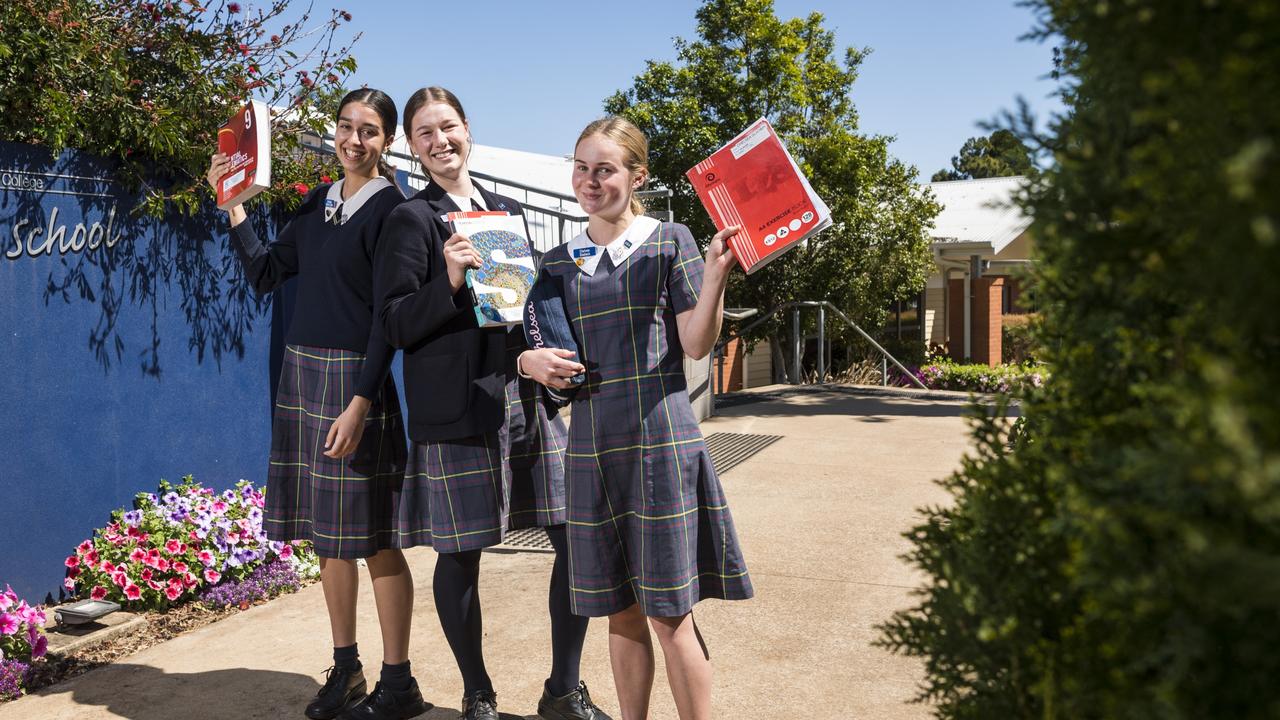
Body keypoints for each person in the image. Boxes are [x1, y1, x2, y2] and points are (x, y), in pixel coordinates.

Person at [374, 87, 609, 720]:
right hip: (458, 410)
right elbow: (395, 324)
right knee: (460, 555)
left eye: (447, 127)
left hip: (530, 401)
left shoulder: (505, 210)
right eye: (424, 133)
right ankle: (478, 693)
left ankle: (563, 689)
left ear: (468, 130)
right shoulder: (411, 219)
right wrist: (448, 282)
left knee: (575, 539)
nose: (439, 141)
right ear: (411, 146)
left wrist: (543, 355)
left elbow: (521, 304)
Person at [518, 117, 754, 720]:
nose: (589, 181)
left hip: (660, 444)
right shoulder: (555, 264)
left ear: (636, 175)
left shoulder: (669, 240)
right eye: (581, 168)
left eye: (605, 169)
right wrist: (529, 361)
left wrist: (718, 279)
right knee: (618, 612)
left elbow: (697, 344)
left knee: (669, 614)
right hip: (591, 449)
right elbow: (538, 347)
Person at [207, 89, 426, 720]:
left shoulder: (396, 211)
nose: (355, 141)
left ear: (389, 142)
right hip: (302, 378)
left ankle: (399, 680)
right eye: (347, 127)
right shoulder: (317, 203)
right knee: (329, 541)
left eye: (371, 131)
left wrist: (361, 401)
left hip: (358, 385)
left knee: (376, 538)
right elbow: (268, 273)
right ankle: (347, 667)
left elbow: (388, 319)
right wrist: (235, 209)